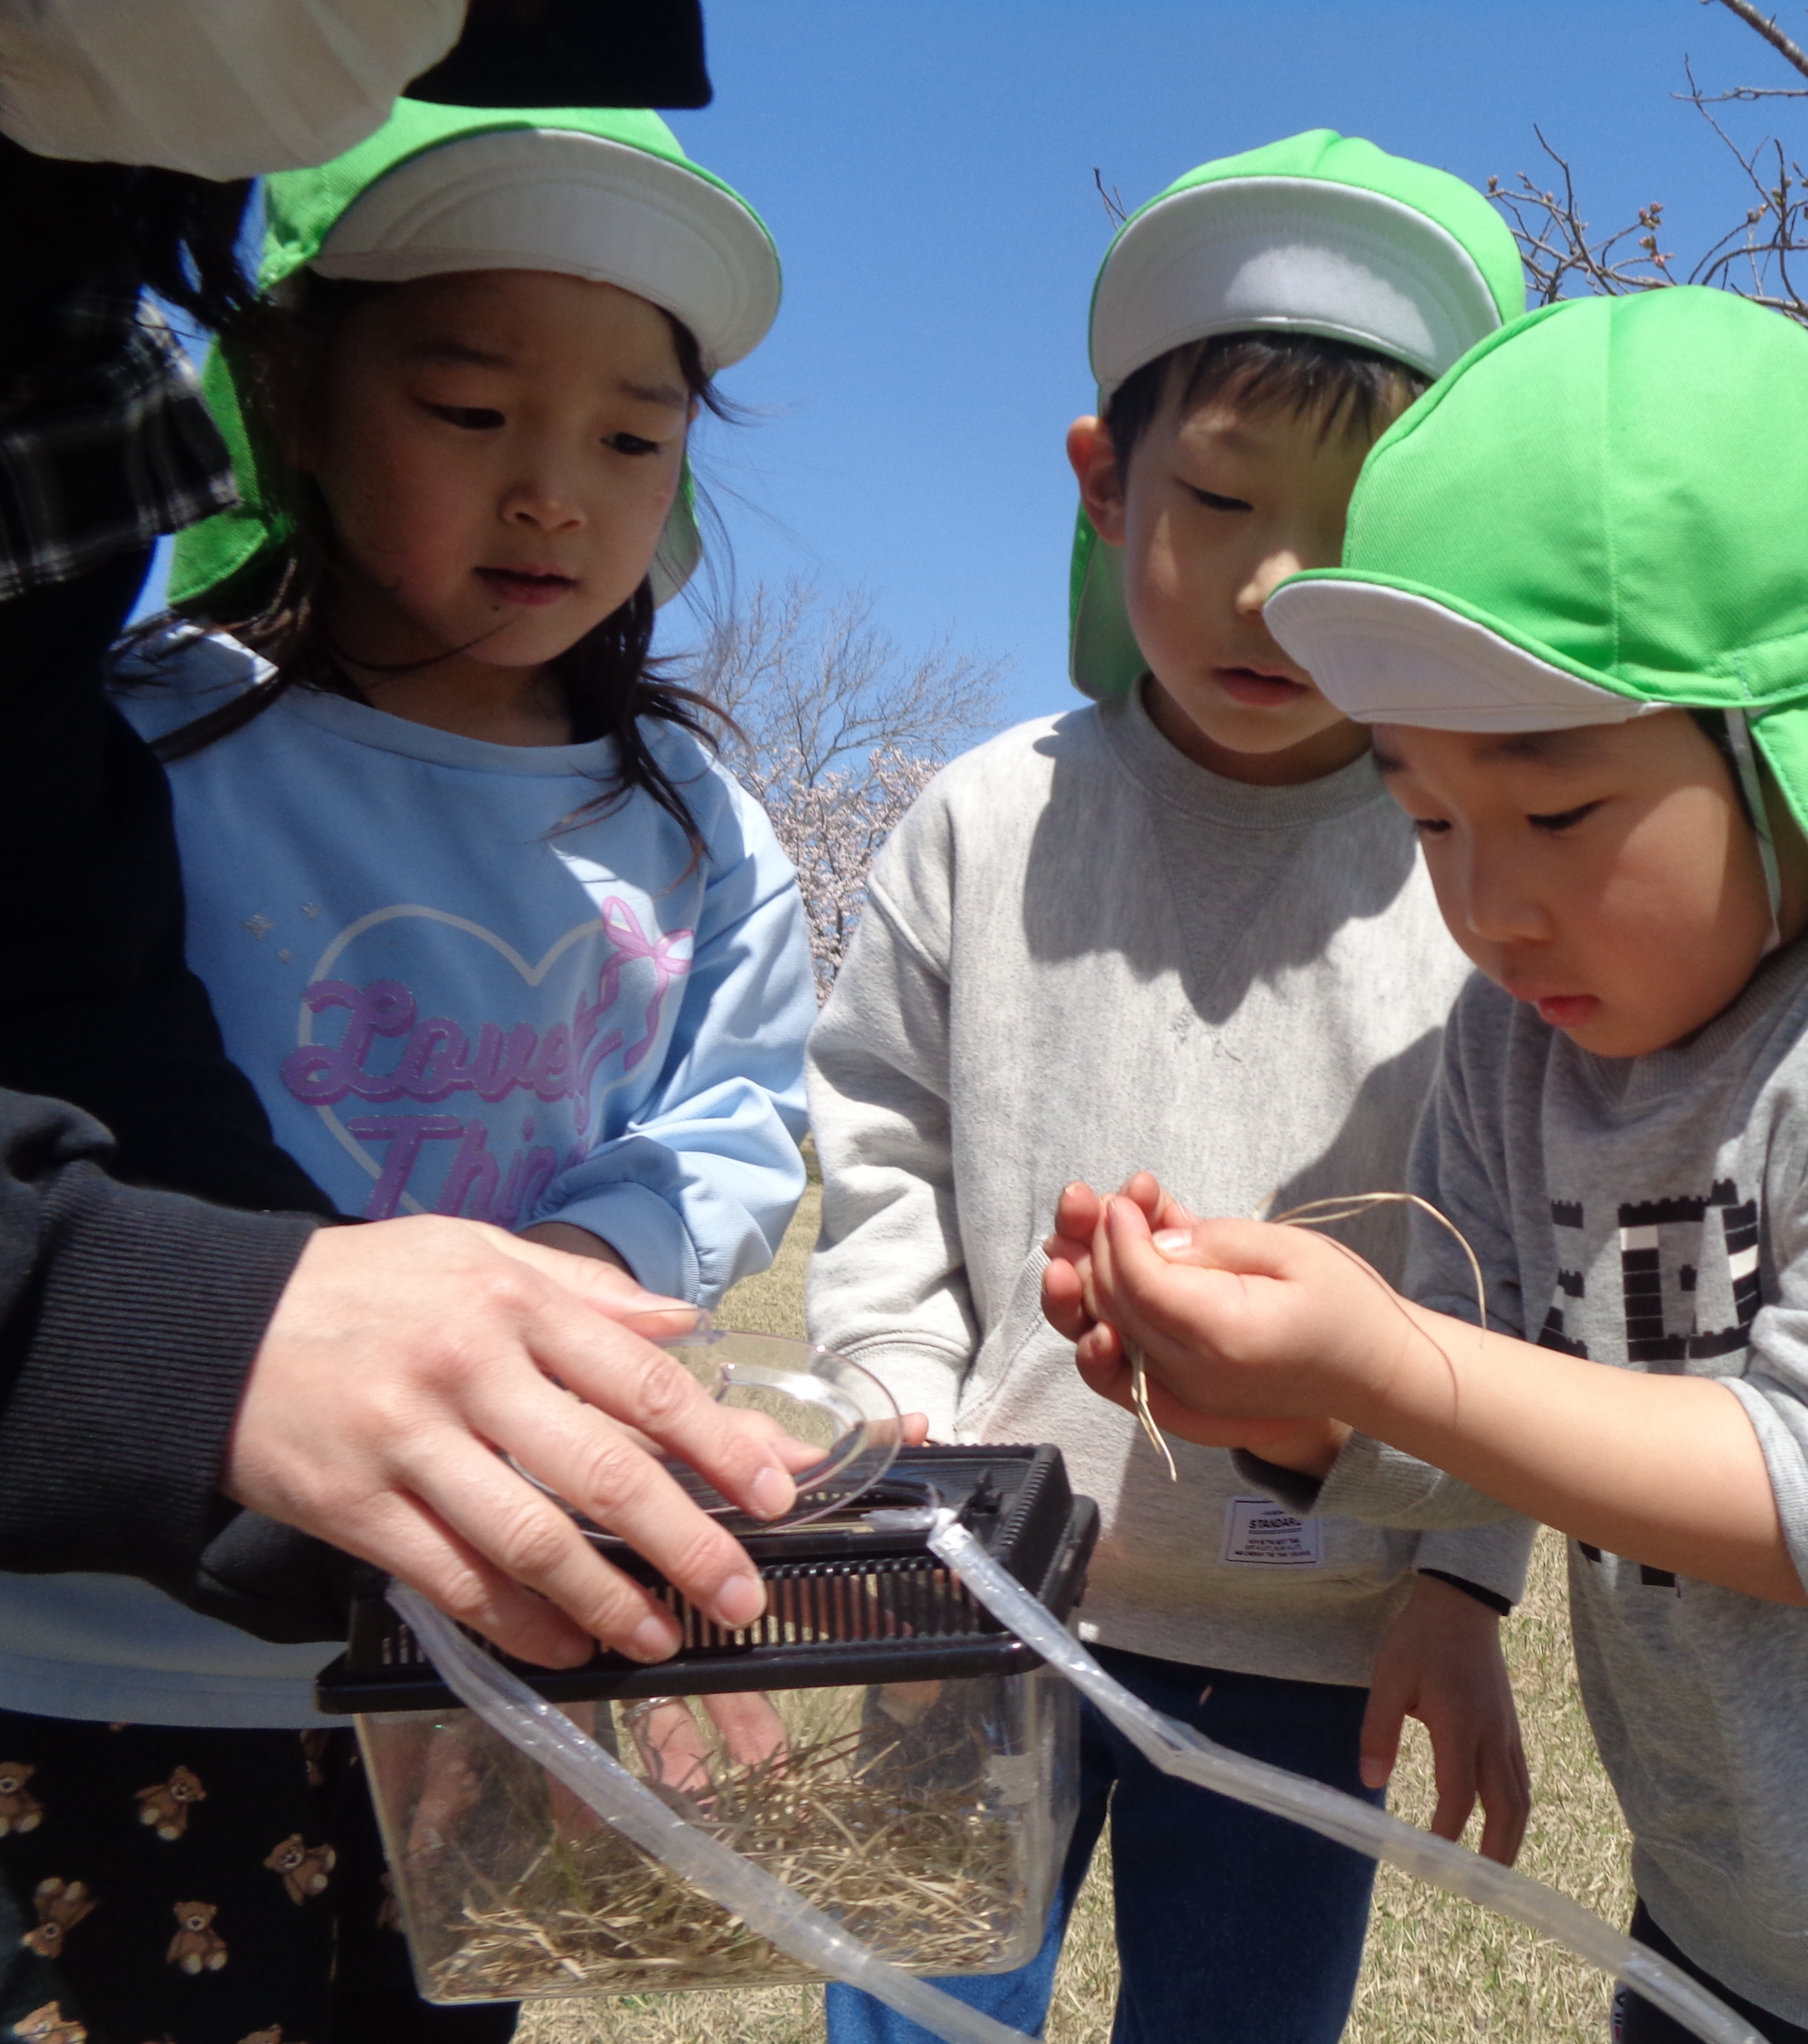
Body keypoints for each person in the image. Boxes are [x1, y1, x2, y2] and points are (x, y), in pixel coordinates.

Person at [1044, 288, 1808, 2044]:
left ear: (1791, 745)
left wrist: (1381, 1361)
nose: (1490, 903)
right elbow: (1490, 1408)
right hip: (1723, 1917)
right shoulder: (1517, 1048)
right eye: (1425, 818)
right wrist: (1286, 1403)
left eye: (1555, 811)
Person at [0, 98, 816, 2044]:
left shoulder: (692, 826)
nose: (557, 490)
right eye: (470, 412)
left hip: (468, 1639)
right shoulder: (137, 750)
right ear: (288, 389)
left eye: (633, 436)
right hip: (103, 1649)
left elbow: (740, 1108)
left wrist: (580, 1293)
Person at [805, 131, 1536, 2044]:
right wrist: (895, 1432)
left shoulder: (1475, 871)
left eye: (1360, 528)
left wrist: (1461, 1576)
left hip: (1314, 1646)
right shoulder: (989, 823)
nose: (1279, 588)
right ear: (1106, 483)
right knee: (916, 2011)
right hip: (974, 1607)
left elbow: (1519, 1268)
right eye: (1217, 502)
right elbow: (882, 1131)